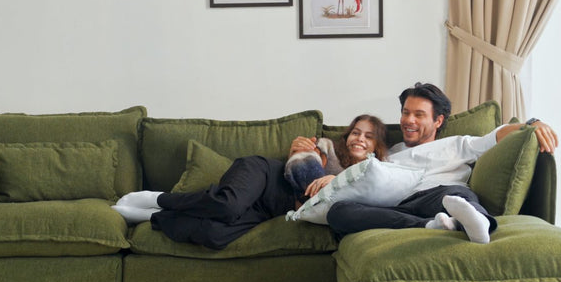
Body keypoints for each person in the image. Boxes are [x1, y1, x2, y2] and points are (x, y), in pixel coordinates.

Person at [326, 82, 559, 244]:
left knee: (458, 195)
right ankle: (430, 226)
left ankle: (480, 225)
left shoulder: (457, 144)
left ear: (438, 121)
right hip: (398, 207)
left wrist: (532, 123)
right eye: (406, 113)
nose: (408, 120)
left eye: (418, 115)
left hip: (440, 198)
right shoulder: (387, 154)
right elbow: (358, 173)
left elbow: (496, 136)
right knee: (338, 212)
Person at [112, 114, 389, 250]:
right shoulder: (327, 147)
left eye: (368, 136)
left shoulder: (373, 175)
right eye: (355, 132)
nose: (359, 139)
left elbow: (358, 204)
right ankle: (159, 198)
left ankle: (155, 216)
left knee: (216, 236)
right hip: (264, 177)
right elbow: (301, 165)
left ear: (377, 147)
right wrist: (327, 179)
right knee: (228, 205)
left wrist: (335, 181)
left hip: (271, 208)